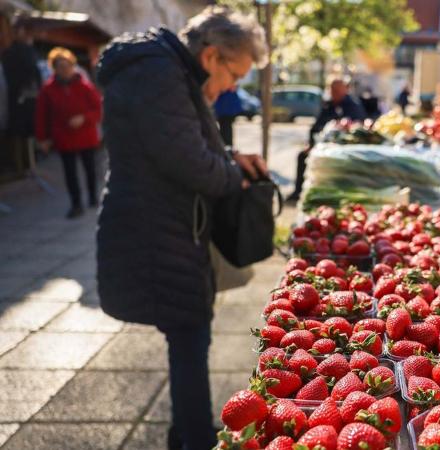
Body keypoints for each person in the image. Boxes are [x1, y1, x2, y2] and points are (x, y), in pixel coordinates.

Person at [95, 6, 268, 450]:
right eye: (236, 74)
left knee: (190, 331)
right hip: (157, 230)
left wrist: (231, 160)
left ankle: (187, 432)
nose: (234, 87)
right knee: (189, 332)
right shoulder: (158, 75)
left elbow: (184, 143)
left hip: (165, 224)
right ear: (211, 56)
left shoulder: (167, 71)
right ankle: (192, 438)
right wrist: (237, 176)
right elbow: (192, 164)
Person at [34, 47, 102, 218]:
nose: (64, 70)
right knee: (70, 173)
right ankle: (76, 203)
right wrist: (43, 138)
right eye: (60, 67)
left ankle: (93, 197)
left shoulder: (85, 86)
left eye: (67, 66)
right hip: (64, 137)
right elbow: (42, 116)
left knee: (90, 169)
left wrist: (84, 118)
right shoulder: (48, 90)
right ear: (54, 69)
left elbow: (98, 109)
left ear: (73, 66)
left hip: (86, 135)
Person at [287, 78, 366, 201]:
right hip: (322, 144)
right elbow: (316, 127)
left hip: (343, 147)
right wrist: (312, 143)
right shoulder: (328, 105)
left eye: (338, 90)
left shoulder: (353, 106)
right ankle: (299, 191)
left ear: (345, 90)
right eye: (333, 90)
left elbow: (358, 128)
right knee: (302, 156)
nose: (334, 93)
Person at [2, 18, 41, 173]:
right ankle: (21, 167)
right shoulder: (11, 53)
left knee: (28, 132)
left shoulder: (29, 51)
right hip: (17, 100)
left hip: (28, 100)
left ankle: (29, 164)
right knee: (18, 133)